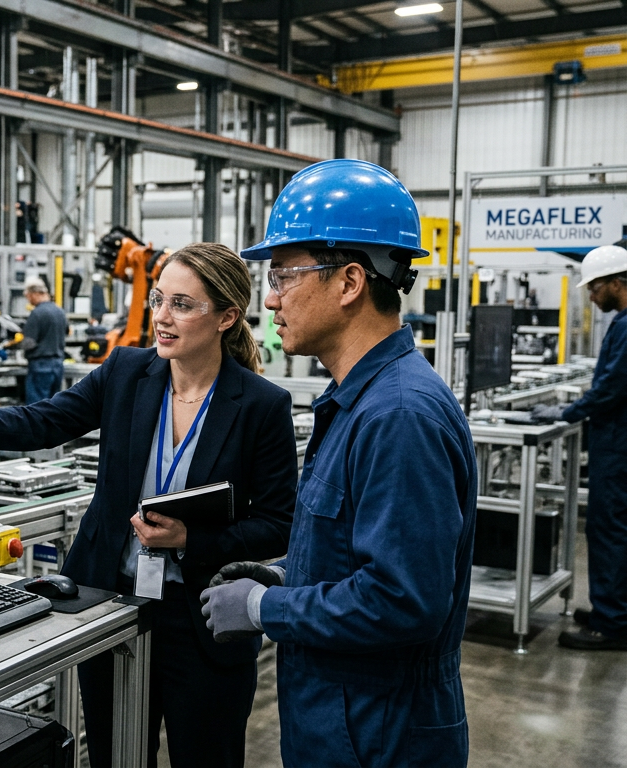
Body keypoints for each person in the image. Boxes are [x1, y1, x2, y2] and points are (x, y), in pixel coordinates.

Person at [0, 244, 297, 768]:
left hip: (203, 619)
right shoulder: (125, 372)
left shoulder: (261, 405)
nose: (162, 317)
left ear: (226, 317)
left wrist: (192, 540)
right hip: (111, 605)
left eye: (182, 305)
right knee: (114, 754)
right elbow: (42, 421)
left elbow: (279, 525)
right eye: (159, 299)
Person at [199, 159, 477, 768]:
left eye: (284, 275)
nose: (270, 298)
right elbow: (359, 553)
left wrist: (263, 608)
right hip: (341, 719)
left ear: (350, 282)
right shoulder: (358, 400)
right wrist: (288, 575)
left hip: (380, 733)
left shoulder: (398, 415)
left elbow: (403, 600)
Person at [532, 244, 627, 650]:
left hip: (618, 448)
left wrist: (564, 412)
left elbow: (609, 389)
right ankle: (612, 610)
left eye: (595, 287)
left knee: (609, 529)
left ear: (617, 283)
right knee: (614, 529)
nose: (590, 295)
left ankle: (612, 624)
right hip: (615, 442)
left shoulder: (625, 327)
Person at [14, 279, 68, 403]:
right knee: (53, 405)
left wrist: (14, 345)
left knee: (37, 406)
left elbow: (29, 343)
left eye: (28, 297)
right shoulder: (60, 311)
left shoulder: (37, 313)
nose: (29, 301)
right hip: (58, 365)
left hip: (40, 365)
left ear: (34, 294)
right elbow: (66, 332)